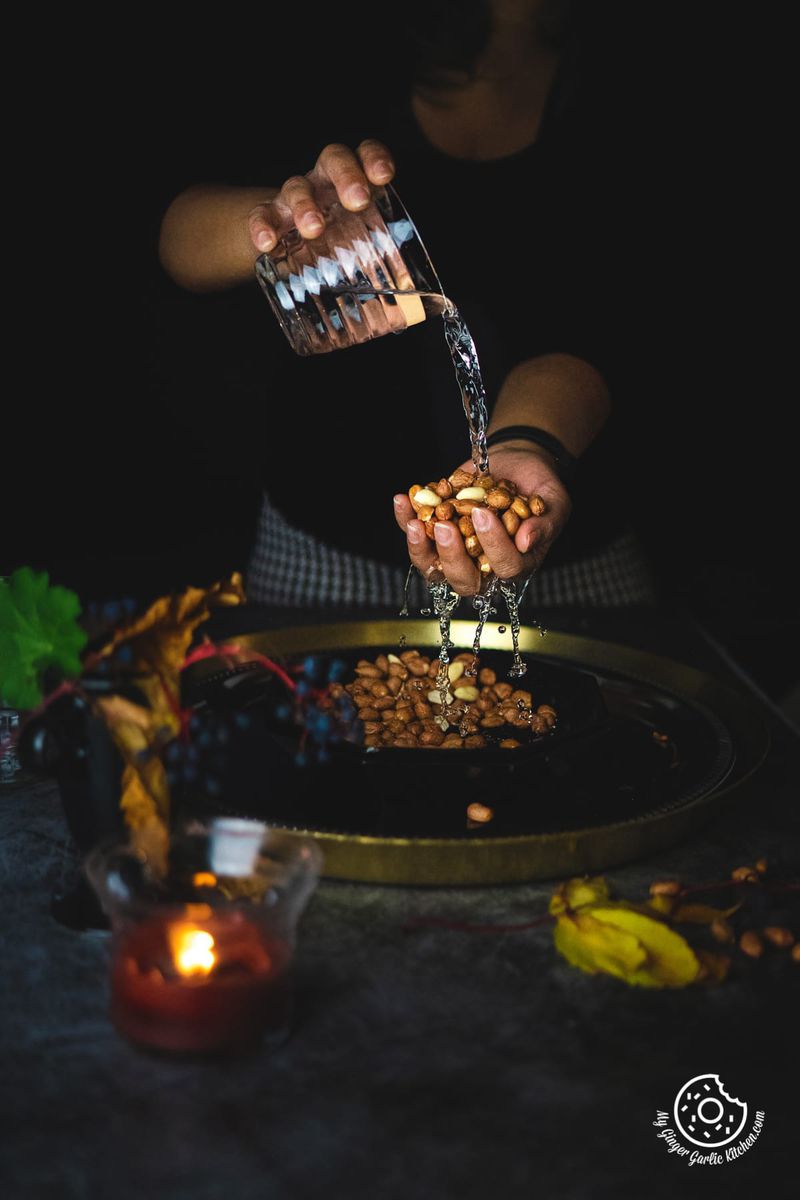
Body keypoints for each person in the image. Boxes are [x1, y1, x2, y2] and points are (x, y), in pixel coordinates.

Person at [154, 0, 676, 616]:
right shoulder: (329, 38)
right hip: (323, 554)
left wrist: (525, 446)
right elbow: (175, 238)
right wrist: (278, 225)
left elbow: (611, 328)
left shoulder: (637, 73)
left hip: (575, 563)